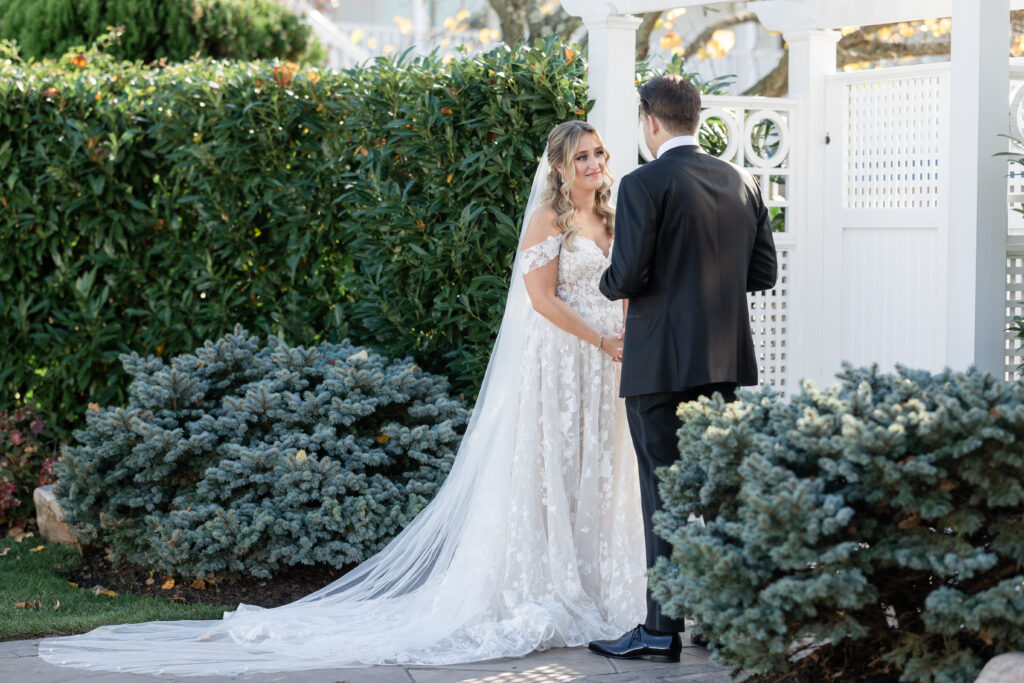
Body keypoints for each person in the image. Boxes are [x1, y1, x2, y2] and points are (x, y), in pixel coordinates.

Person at [38, 121, 647, 676]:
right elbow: (541, 299)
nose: (594, 163)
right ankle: (551, 587)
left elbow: (624, 286)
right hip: (564, 363)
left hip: (605, 368)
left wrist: (623, 339)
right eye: (581, 156)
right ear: (560, 168)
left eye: (599, 153)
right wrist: (600, 339)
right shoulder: (548, 220)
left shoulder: (616, 217)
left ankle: (597, 586)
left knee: (598, 473)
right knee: (551, 470)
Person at [590, 74, 778, 662]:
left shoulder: (644, 184)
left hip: (658, 367)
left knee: (664, 497)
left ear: (650, 121)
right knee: (720, 493)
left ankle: (660, 629)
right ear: (696, 117)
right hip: (723, 364)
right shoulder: (742, 179)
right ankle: (722, 621)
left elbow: (623, 278)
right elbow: (764, 273)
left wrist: (607, 278)